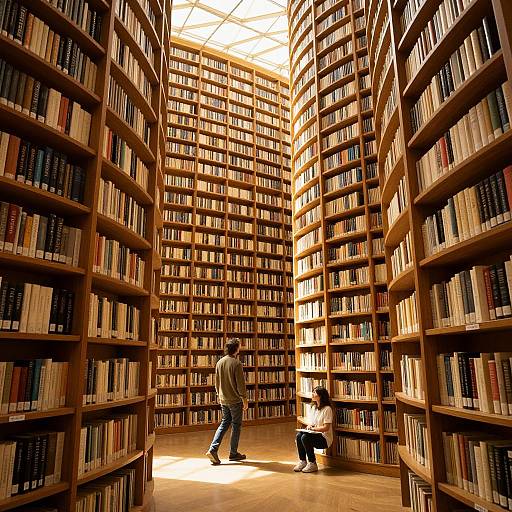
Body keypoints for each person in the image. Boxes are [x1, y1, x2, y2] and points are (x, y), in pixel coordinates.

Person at [206, 338, 248, 465]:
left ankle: (213, 449)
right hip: (235, 400)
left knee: (224, 423)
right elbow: (241, 385)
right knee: (236, 426)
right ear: (236, 348)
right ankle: (233, 453)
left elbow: (216, 382)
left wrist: (219, 396)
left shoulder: (220, 362)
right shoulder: (236, 364)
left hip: (223, 399)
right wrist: (244, 399)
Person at [294, 386, 333, 473]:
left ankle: (312, 463)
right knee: (299, 435)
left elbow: (326, 428)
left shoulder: (327, 409)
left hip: (324, 438)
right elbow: (312, 422)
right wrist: (309, 426)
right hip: (314, 434)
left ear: (321, 396)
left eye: (314, 392)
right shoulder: (313, 407)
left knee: (305, 437)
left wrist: (314, 429)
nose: (312, 394)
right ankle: (303, 461)